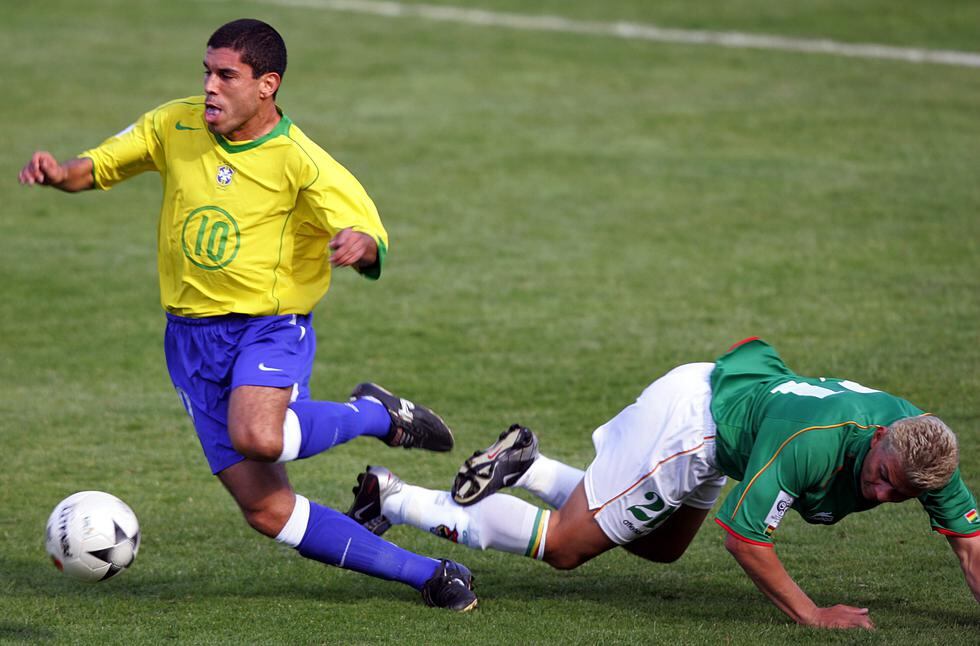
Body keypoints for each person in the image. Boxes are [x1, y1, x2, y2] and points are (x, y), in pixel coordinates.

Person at [19, 18, 477, 612]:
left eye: (225, 75)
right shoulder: (174, 123)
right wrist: (61, 175)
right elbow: (101, 164)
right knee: (267, 511)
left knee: (259, 436)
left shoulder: (300, 162)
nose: (210, 86)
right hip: (189, 340)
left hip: (269, 325)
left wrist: (361, 249)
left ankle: (372, 414)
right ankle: (431, 574)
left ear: (266, 85)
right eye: (206, 72)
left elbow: (367, 231)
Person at [348, 337, 980, 626]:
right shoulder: (812, 446)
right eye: (880, 478)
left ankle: (529, 467)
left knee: (662, 545)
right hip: (691, 429)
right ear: (875, 442)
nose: (880, 495)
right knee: (568, 548)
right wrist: (812, 615)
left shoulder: (924, 450)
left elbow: (971, 546)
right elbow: (746, 539)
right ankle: (393, 495)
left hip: (725, 421)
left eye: (899, 494)